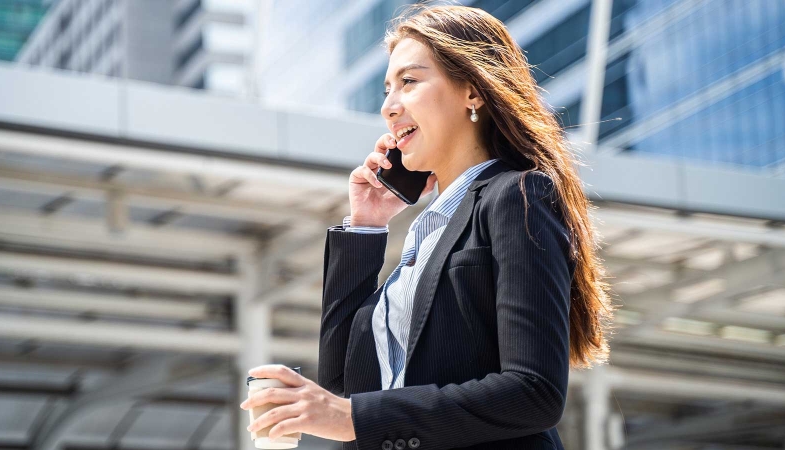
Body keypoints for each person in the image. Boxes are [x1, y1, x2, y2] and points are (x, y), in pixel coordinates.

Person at [240, 4, 615, 449]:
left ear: (472, 92)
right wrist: (365, 227)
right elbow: (344, 385)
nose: (388, 107)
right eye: (386, 89)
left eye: (409, 82)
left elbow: (534, 391)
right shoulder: (427, 234)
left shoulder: (517, 195)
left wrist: (353, 417)